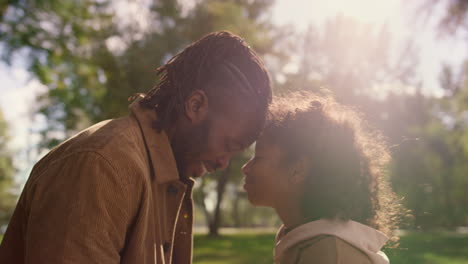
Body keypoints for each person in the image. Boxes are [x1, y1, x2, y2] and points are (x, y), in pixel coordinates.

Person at [0, 31, 272, 264]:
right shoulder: (102, 167)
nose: (224, 163)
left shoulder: (169, 180)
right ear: (196, 105)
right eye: (228, 145)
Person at [242, 92, 405, 264]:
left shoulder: (329, 254)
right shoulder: (305, 239)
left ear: (298, 170)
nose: (245, 168)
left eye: (258, 158)